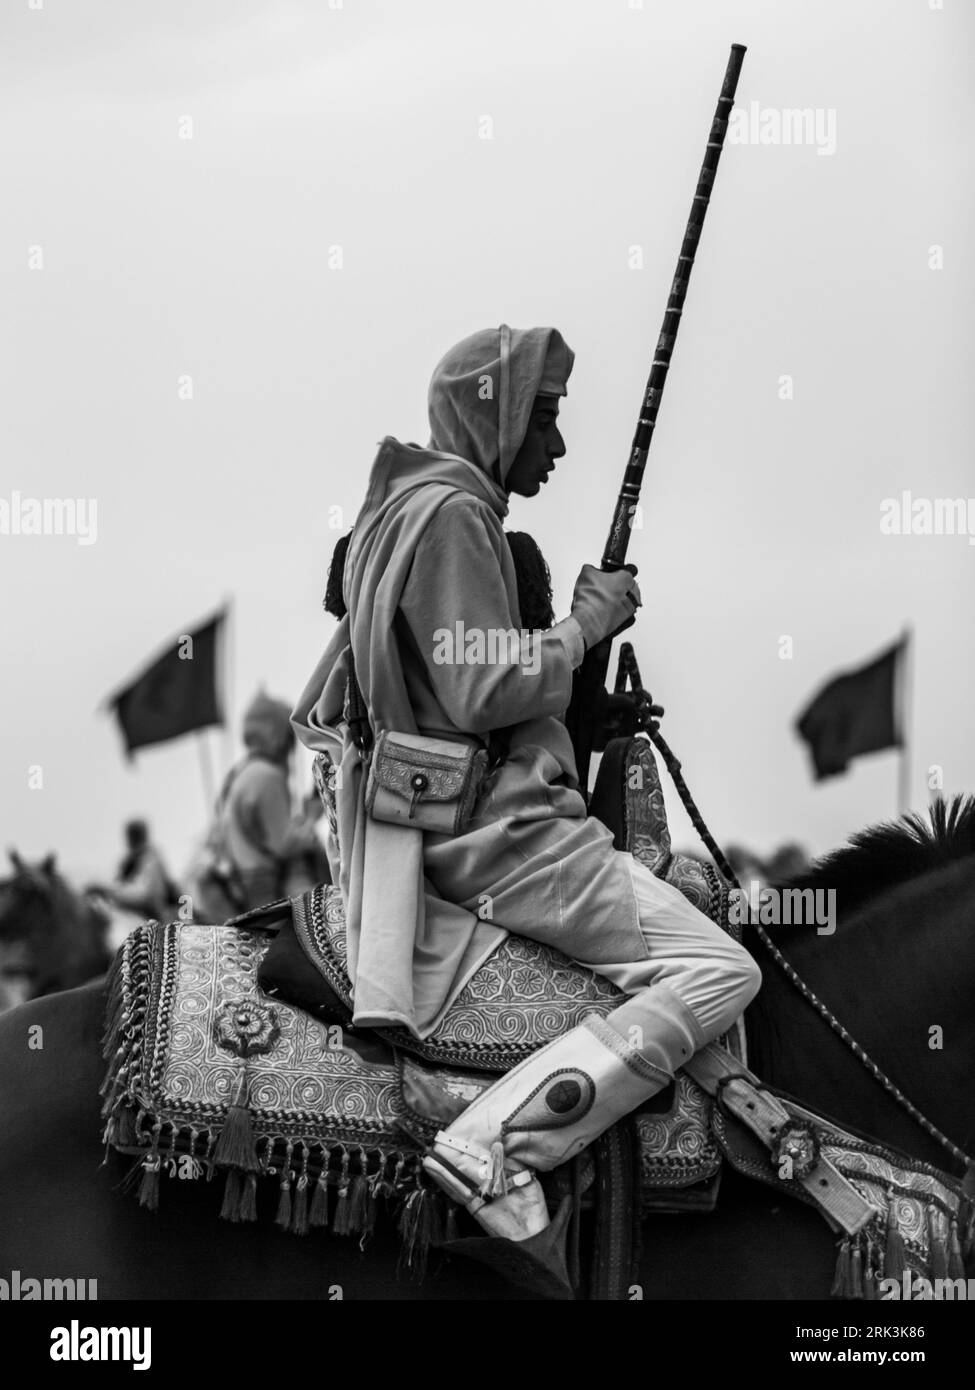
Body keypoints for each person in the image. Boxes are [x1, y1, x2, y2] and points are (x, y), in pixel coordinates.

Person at [293, 325, 761, 1291]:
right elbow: (480, 687)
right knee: (720, 969)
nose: (554, 446)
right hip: (510, 838)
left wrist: (588, 689)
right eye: (542, 420)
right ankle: (495, 1146)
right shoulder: (456, 512)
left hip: (447, 823)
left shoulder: (402, 509)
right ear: (494, 415)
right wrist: (586, 625)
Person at [193, 692, 318, 920]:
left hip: (232, 885)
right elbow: (282, 844)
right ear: (278, 735)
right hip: (258, 891)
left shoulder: (241, 772)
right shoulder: (267, 776)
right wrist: (312, 819)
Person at [92, 819, 175, 922]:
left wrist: (107, 890)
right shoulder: (128, 862)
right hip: (129, 917)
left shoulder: (150, 859)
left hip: (151, 921)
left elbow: (143, 894)